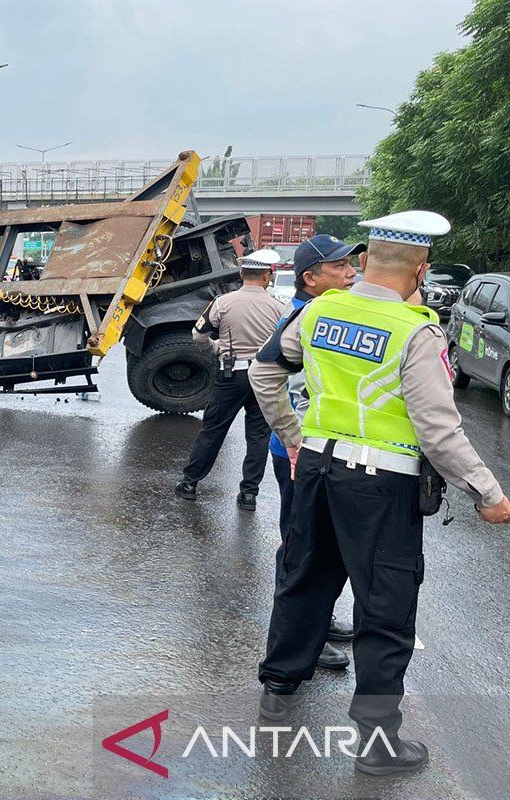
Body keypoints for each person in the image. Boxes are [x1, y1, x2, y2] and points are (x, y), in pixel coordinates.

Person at [249, 211, 510, 776]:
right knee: (386, 609)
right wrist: (487, 493)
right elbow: (438, 428)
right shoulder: (416, 330)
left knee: (305, 577)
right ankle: (375, 743)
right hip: (381, 485)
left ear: (364, 263)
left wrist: (296, 441)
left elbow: (264, 372)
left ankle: (277, 691)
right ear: (422, 269)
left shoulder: (320, 310)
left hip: (315, 472)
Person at [267, 235, 364, 672]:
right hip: (299, 453)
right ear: (311, 277)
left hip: (315, 450)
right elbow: (272, 381)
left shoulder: (324, 314)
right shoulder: (306, 317)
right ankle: (299, 632)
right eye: (341, 268)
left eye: (351, 265)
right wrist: (292, 440)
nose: (351, 274)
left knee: (317, 542)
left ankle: (317, 620)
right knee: (298, 544)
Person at [175, 249, 285, 510]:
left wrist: (218, 348)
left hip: (231, 375)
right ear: (268, 276)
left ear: (240, 274)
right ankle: (249, 495)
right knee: (258, 437)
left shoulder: (222, 303)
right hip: (265, 378)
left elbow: (198, 337)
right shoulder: (280, 307)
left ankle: (190, 484)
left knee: (213, 431)